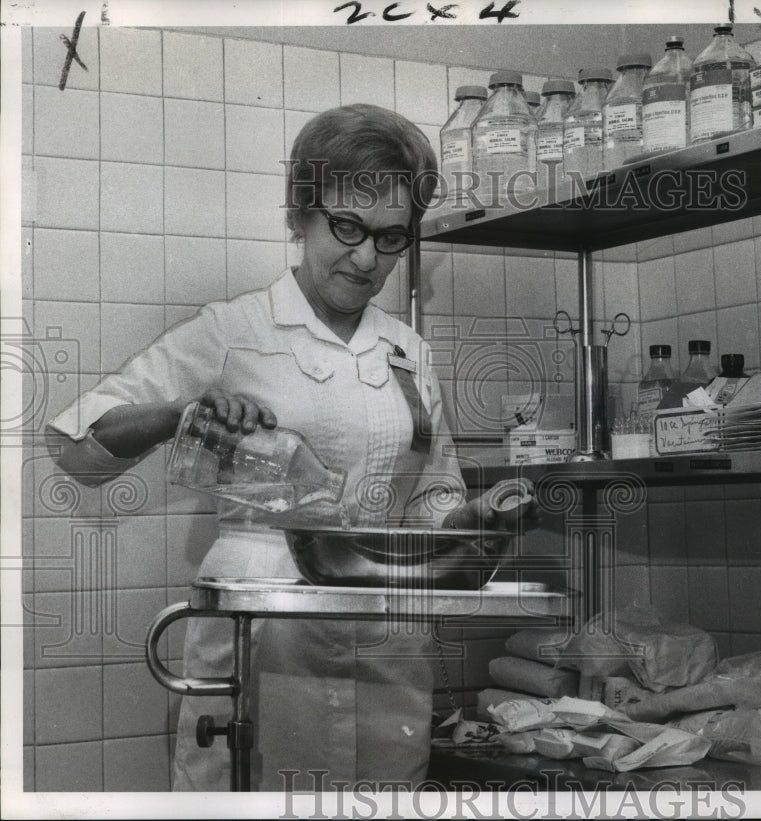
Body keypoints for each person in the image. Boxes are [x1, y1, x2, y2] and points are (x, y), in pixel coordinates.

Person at [46, 104, 523, 790]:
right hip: (263, 634)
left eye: (391, 237)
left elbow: (431, 496)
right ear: (301, 214)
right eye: (348, 227)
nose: (367, 258)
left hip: (385, 639)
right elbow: (75, 447)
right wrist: (181, 414)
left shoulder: (408, 351)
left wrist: (472, 519)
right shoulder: (235, 329)